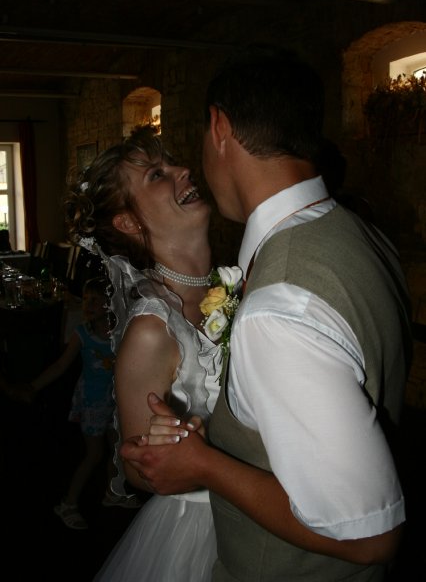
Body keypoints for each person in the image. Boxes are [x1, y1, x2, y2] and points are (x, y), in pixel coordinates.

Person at [120, 46, 413, 581]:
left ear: (219, 127)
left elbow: (370, 536)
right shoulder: (364, 235)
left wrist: (204, 464)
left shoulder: (276, 310)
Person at [63, 124, 223, 580]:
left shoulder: (231, 287)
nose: (183, 170)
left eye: (171, 164)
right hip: (204, 532)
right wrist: (172, 445)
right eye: (157, 174)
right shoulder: (153, 329)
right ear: (129, 223)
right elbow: (136, 471)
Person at [12, 276, 138, 529]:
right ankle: (67, 503)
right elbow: (60, 365)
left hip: (113, 401)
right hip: (92, 402)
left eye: (96, 300)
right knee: (94, 454)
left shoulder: (121, 332)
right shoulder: (83, 334)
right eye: (86, 299)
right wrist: (33, 386)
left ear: (110, 304)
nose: (88, 304)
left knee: (116, 449)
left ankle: (113, 492)